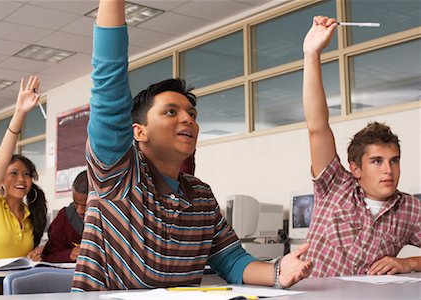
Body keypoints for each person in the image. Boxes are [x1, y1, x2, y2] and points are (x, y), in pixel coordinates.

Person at [72, 0, 311, 291]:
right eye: (171, 112)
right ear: (138, 132)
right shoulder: (119, 175)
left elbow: (231, 259)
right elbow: (109, 84)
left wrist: (276, 271)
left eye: (192, 114)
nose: (187, 119)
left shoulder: (201, 196)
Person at [302, 15, 421, 277]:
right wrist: (312, 54)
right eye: (377, 161)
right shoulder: (334, 186)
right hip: (312, 294)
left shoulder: (411, 209)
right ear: (355, 168)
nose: (388, 170)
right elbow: (317, 126)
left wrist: (408, 263)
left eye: (394, 160)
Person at [0, 76, 48, 295]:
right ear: (2, 180)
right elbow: (1, 160)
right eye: (13, 174)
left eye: (26, 174)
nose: (21, 180)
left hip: (13, 291)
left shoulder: (30, 214)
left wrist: (36, 253)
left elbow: (23, 259)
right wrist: (20, 113)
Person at [42, 170, 88, 263]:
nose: (79, 210)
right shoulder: (64, 218)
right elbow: (49, 256)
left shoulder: (114, 218)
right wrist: (69, 254)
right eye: (75, 203)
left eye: (85, 205)